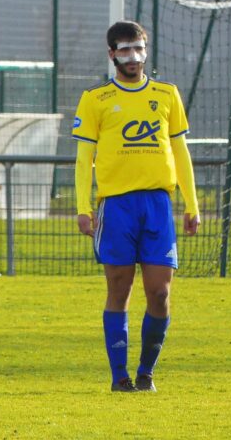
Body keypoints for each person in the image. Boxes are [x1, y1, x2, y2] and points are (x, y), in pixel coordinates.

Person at [72, 20, 201, 392]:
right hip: (116, 207)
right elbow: (83, 159)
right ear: (112, 54)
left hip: (157, 205)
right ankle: (120, 377)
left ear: (146, 51)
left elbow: (180, 151)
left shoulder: (166, 94)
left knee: (160, 292)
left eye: (139, 48)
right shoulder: (95, 99)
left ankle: (146, 372)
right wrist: (83, 207)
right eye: (125, 50)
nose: (133, 56)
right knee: (119, 288)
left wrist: (192, 204)